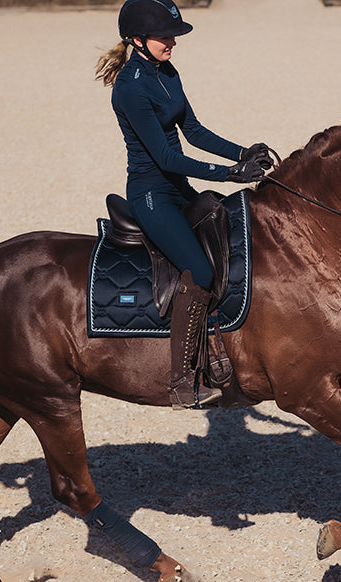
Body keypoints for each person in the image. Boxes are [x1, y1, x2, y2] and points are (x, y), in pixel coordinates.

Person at [95, 0, 272, 408]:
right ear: (137, 40)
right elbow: (167, 158)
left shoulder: (167, 72)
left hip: (178, 189)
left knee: (232, 235)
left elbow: (193, 130)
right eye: (164, 36)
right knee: (201, 270)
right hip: (152, 195)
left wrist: (243, 152)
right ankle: (180, 381)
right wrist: (231, 175)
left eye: (173, 35)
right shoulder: (131, 88)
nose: (172, 42)